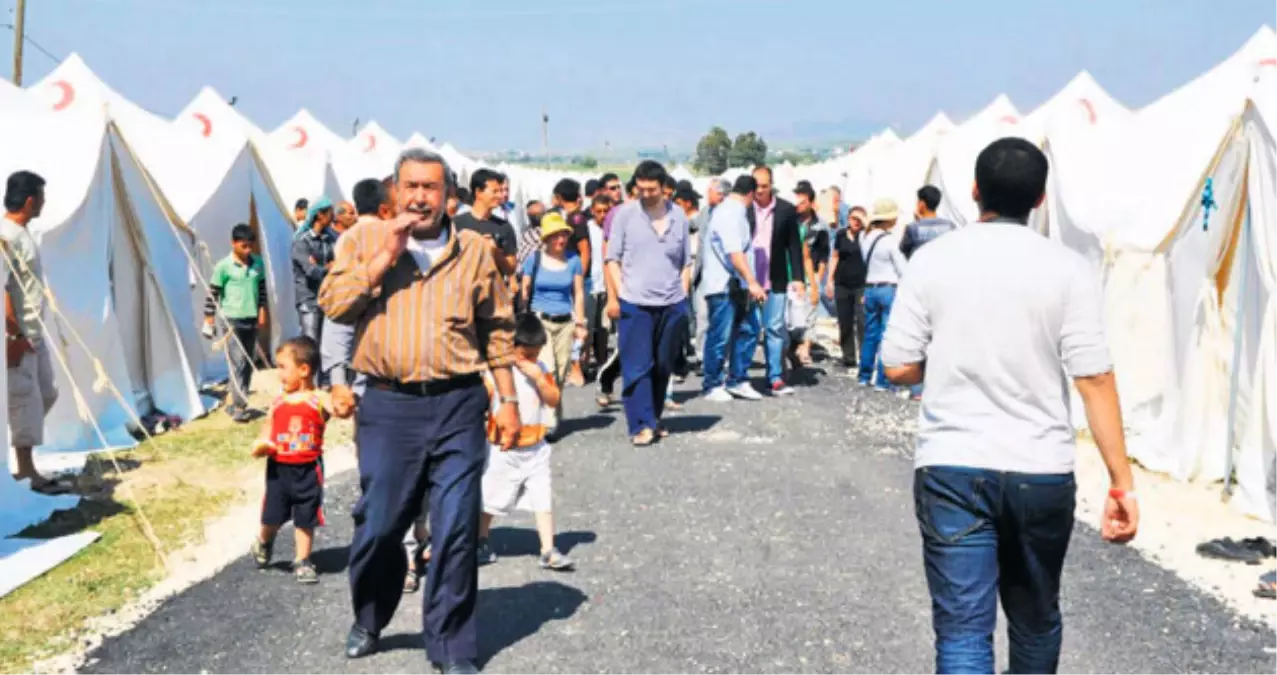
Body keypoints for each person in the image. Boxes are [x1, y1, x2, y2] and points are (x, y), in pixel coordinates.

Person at [881, 137, 1138, 673]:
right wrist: (1121, 483)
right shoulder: (1067, 269)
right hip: (1040, 467)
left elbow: (898, 366)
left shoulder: (932, 261)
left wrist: (950, 357)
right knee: (1035, 619)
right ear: (1041, 198)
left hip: (952, 461)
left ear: (974, 192)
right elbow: (1094, 378)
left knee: (963, 633)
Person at [320, 148, 520, 674]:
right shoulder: (363, 239)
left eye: (430, 187)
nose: (419, 197)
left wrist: (509, 399)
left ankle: (452, 647)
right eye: (409, 186)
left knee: (455, 527)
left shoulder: (474, 250)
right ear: (394, 191)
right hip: (388, 406)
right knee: (381, 523)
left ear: (448, 195)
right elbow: (334, 304)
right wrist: (388, 252)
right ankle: (370, 615)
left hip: (458, 403)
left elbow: (497, 328)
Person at [476, 313, 575, 570]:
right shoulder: (497, 373)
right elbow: (482, 400)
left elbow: (553, 399)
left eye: (536, 354)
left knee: (543, 498)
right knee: (491, 497)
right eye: (525, 354)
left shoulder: (540, 370)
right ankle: (481, 539)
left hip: (536, 446)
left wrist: (539, 378)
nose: (530, 360)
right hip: (503, 447)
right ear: (511, 348)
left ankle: (548, 549)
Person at [604, 161, 692, 446]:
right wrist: (620, 293)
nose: (645, 194)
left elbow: (685, 261)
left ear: (664, 188)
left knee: (663, 365)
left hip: (672, 303)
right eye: (640, 189)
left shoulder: (678, 215)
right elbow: (611, 258)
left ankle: (653, 418)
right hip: (636, 303)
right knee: (637, 366)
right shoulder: (625, 215)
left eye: (651, 189)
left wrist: (683, 292)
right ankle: (640, 424)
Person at [248, 336, 329, 585]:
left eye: (283, 367)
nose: (278, 373)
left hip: (308, 469)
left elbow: (337, 406)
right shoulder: (279, 401)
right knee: (272, 514)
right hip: (279, 469)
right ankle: (264, 540)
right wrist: (263, 443)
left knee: (306, 516)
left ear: (304, 370)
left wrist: (343, 403)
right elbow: (268, 426)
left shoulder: (318, 399)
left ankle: (303, 560)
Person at [2, 171, 63, 493]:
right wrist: (12, 337)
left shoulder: (22, 233)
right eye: (41, 197)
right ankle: (26, 472)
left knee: (46, 394)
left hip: (34, 334)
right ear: (30, 200)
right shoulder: (4, 236)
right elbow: (3, 290)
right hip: (18, 336)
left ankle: (21, 459)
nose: (44, 203)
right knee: (25, 400)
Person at [700, 175, 766, 402]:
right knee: (720, 334)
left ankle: (738, 378)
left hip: (738, 285)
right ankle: (712, 382)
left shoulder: (733, 211)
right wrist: (753, 281)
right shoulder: (730, 213)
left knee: (748, 329)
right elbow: (734, 252)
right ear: (751, 194)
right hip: (724, 285)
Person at [520, 212, 586, 431]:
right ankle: (548, 420)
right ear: (546, 238)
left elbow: (578, 293)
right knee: (548, 369)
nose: (561, 240)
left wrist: (580, 323)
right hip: (541, 320)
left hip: (565, 322)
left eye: (564, 235)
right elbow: (524, 289)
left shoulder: (574, 260)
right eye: (556, 236)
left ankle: (553, 409)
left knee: (562, 369)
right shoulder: (534, 259)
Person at [744, 165, 806, 397]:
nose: (759, 191)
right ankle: (739, 375)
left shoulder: (786, 210)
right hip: (749, 280)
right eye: (756, 186)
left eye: (764, 186)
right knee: (747, 329)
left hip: (776, 278)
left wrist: (798, 278)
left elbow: (794, 246)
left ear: (771, 185)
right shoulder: (744, 209)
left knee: (774, 328)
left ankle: (775, 377)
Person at [204, 223, 268, 424]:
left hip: (250, 317)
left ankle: (236, 402)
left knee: (248, 362)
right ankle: (240, 406)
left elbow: (262, 289)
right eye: (243, 246)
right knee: (237, 362)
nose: (247, 250)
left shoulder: (257, 263)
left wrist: (262, 311)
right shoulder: (224, 266)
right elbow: (212, 293)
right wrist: (209, 320)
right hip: (231, 319)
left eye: (250, 246)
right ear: (233, 244)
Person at [857, 199, 907, 392]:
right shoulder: (889, 241)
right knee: (887, 335)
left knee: (870, 334)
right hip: (888, 289)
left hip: (870, 288)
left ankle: (864, 375)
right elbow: (902, 268)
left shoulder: (865, 238)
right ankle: (882, 380)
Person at [790, 181, 829, 367]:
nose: (799, 205)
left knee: (810, 313)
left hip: (811, 272)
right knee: (793, 315)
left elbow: (823, 256)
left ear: (811, 203)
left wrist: (818, 280)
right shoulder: (791, 220)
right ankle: (795, 347)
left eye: (803, 202)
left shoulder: (820, 226)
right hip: (793, 273)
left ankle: (805, 348)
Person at [454, 168, 519, 278]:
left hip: (492, 292)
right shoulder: (456, 224)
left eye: (501, 191)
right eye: (495, 191)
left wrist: (496, 253)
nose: (500, 196)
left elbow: (511, 269)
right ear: (478, 192)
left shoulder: (504, 227)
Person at [826, 207, 868, 371]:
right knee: (845, 321)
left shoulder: (865, 236)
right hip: (842, 283)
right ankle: (848, 356)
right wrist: (830, 280)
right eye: (852, 218)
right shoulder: (841, 235)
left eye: (859, 219)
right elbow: (835, 256)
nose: (855, 222)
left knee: (862, 320)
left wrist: (865, 223)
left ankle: (865, 357)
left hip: (861, 283)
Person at [292, 198, 335, 351]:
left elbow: (339, 261)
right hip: (309, 300)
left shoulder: (330, 239)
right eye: (330, 212)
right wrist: (328, 267)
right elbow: (311, 271)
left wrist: (324, 266)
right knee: (311, 346)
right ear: (319, 215)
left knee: (326, 347)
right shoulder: (302, 241)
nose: (333, 216)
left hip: (327, 299)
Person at [899, 185, 956, 259]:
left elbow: (901, 252)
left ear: (922, 204)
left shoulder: (912, 228)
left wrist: (915, 223)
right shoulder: (950, 225)